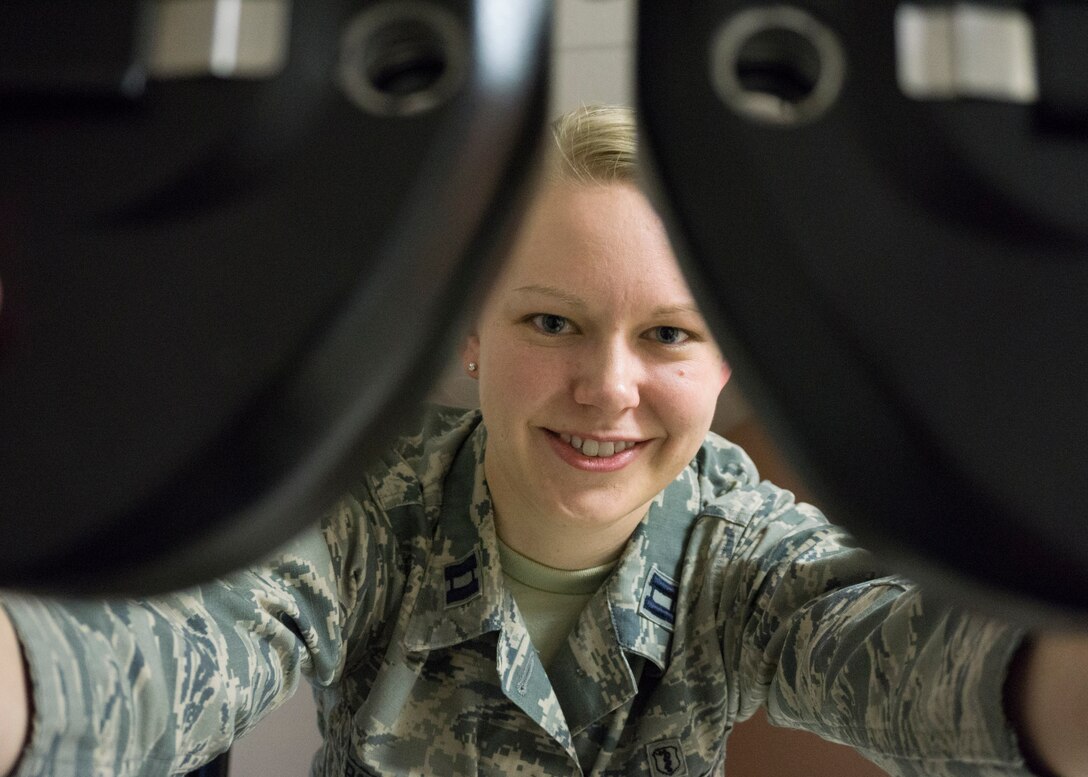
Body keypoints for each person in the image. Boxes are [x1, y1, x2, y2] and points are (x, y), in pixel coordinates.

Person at [0, 105, 1086, 777]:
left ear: (727, 362)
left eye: (667, 334)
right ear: (471, 336)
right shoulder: (365, 509)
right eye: (551, 322)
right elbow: (137, 665)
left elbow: (936, 676)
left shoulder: (742, 548)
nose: (606, 388)